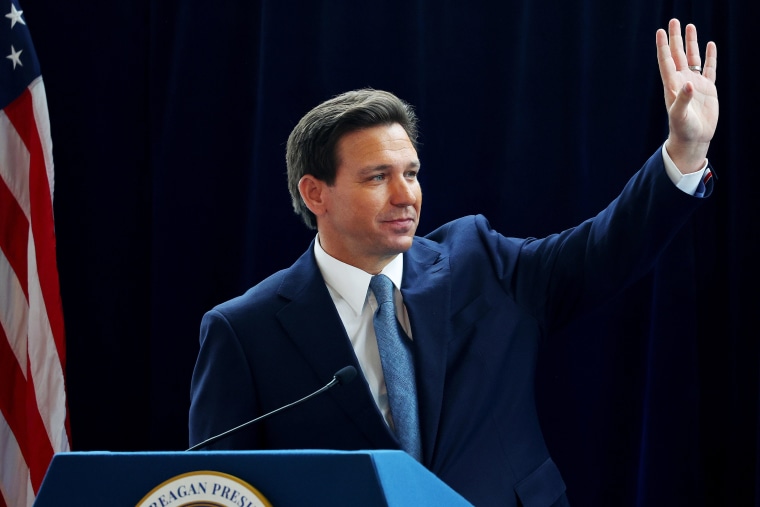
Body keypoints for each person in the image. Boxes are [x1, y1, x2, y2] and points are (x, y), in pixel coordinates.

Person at [189, 19, 718, 507]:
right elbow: (217, 492)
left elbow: (604, 249)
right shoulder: (244, 330)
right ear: (315, 193)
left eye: (412, 173)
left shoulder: (480, 262)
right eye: (377, 177)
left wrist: (685, 150)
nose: (406, 197)